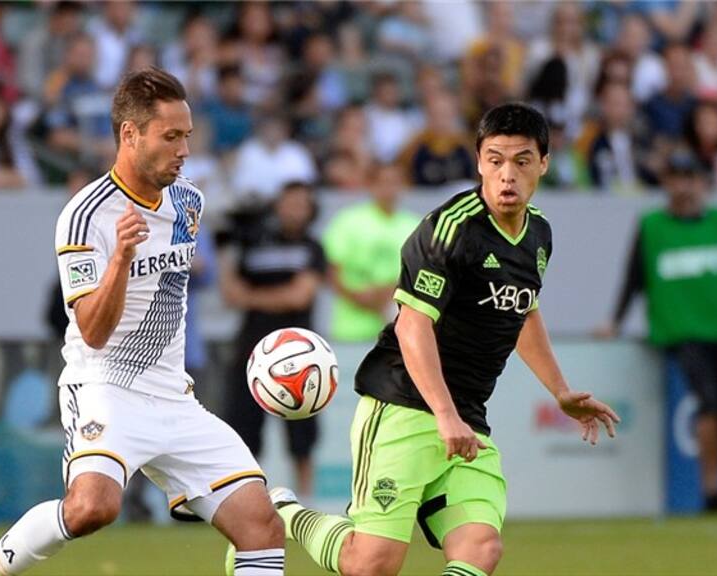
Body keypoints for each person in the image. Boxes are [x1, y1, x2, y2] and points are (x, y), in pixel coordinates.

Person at [247, 103, 620, 576]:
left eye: (522, 161)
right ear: (479, 161)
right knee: (372, 565)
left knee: (480, 548)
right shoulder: (450, 228)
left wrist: (561, 391)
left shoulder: (539, 234)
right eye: (495, 159)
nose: (508, 175)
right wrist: (444, 415)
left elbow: (522, 310)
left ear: (543, 163)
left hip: (467, 419)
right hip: (404, 405)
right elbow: (411, 325)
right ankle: (283, 511)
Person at [0, 67, 284, 576]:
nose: (184, 150)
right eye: (171, 136)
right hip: (105, 387)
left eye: (187, 136)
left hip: (174, 397)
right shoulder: (86, 215)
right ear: (130, 134)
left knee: (261, 526)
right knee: (92, 507)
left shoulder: (189, 202)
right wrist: (120, 260)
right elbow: (92, 329)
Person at [598, 148, 717, 512]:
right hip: (682, 331)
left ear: (703, 183)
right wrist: (614, 322)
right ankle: (711, 491)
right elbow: (633, 278)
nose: (684, 188)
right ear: (666, 184)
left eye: (691, 179)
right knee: (711, 404)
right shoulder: (652, 225)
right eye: (676, 179)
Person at [218, 181, 326, 499]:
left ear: (310, 210)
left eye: (301, 204)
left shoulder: (312, 247)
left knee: (302, 438)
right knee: (244, 431)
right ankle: (249, 499)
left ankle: (306, 500)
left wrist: (252, 296)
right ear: (277, 206)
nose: (294, 210)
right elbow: (229, 293)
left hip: (301, 357)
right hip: (251, 352)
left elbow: (300, 295)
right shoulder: (253, 245)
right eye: (289, 203)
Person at [322, 162, 419, 342]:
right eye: (383, 182)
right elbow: (331, 270)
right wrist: (360, 297)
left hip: (398, 332)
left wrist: (389, 293)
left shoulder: (415, 226)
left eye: (394, 182)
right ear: (371, 185)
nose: (388, 189)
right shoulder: (348, 221)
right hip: (350, 329)